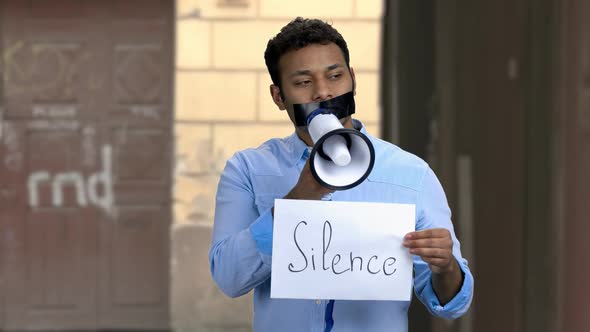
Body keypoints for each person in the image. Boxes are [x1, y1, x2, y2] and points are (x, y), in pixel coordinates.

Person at [209, 17, 473, 331]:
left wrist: (445, 267)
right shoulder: (249, 170)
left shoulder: (410, 173)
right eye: (303, 82)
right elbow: (229, 278)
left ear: (353, 80)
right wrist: (299, 198)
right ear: (279, 96)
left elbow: (452, 305)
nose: (322, 92)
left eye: (335, 76)